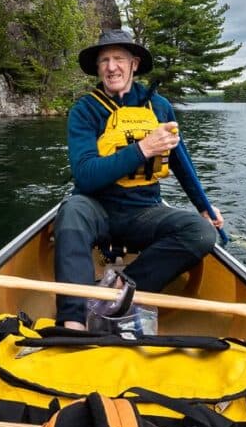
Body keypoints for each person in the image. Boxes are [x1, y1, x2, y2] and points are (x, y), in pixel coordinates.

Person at [55, 29, 224, 329]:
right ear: (97, 68)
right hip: (97, 209)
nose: (111, 67)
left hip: (144, 211)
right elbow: (85, 175)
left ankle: (122, 289)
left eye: (119, 58)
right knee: (71, 210)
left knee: (201, 234)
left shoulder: (159, 107)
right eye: (104, 60)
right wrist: (144, 149)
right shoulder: (84, 111)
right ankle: (73, 321)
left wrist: (204, 208)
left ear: (134, 63)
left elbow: (181, 161)